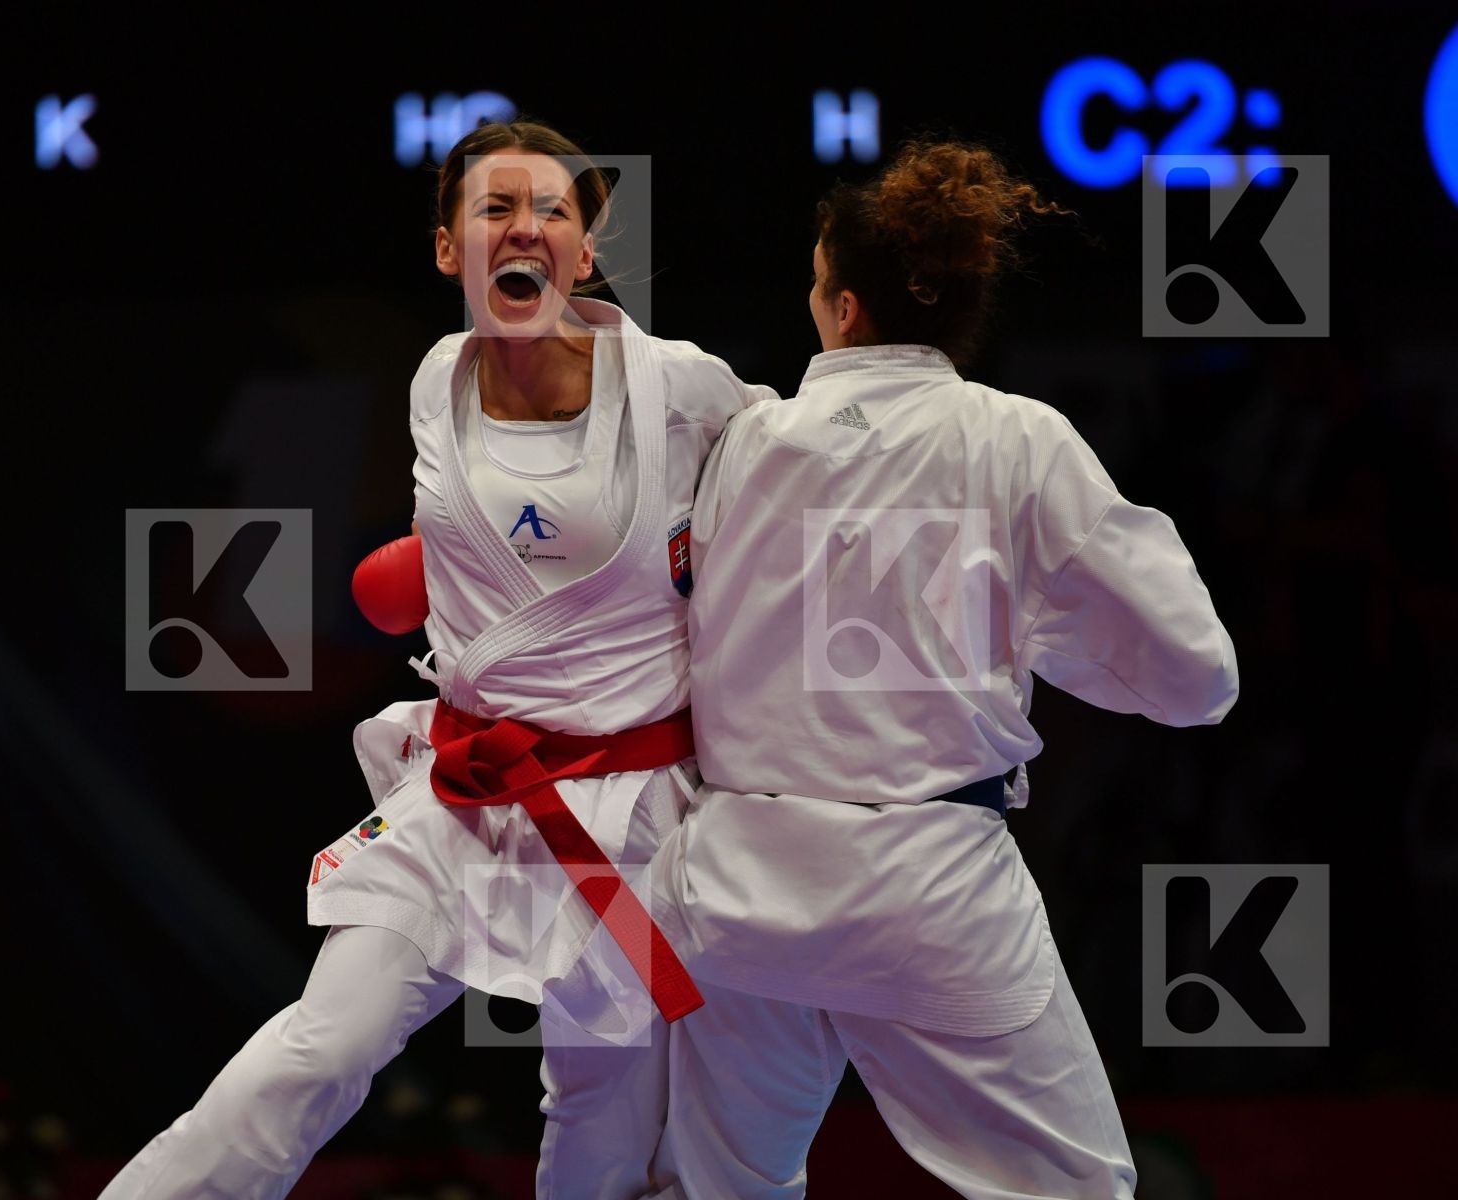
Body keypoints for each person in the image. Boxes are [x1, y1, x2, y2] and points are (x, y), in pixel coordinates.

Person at [101, 119, 773, 1200]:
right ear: (449, 250)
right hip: (462, 788)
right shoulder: (433, 382)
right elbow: (494, 542)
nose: (526, 228)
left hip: (632, 806)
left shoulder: (679, 388)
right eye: (495, 209)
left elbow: (799, 489)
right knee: (323, 1045)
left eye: (552, 209)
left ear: (586, 252)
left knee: (599, 1104)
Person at [646, 141, 1239, 1199]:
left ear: (842, 307)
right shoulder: (1016, 439)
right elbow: (1198, 677)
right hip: (930, 891)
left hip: (737, 886)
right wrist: (1038, 636)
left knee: (722, 1188)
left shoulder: (740, 443)